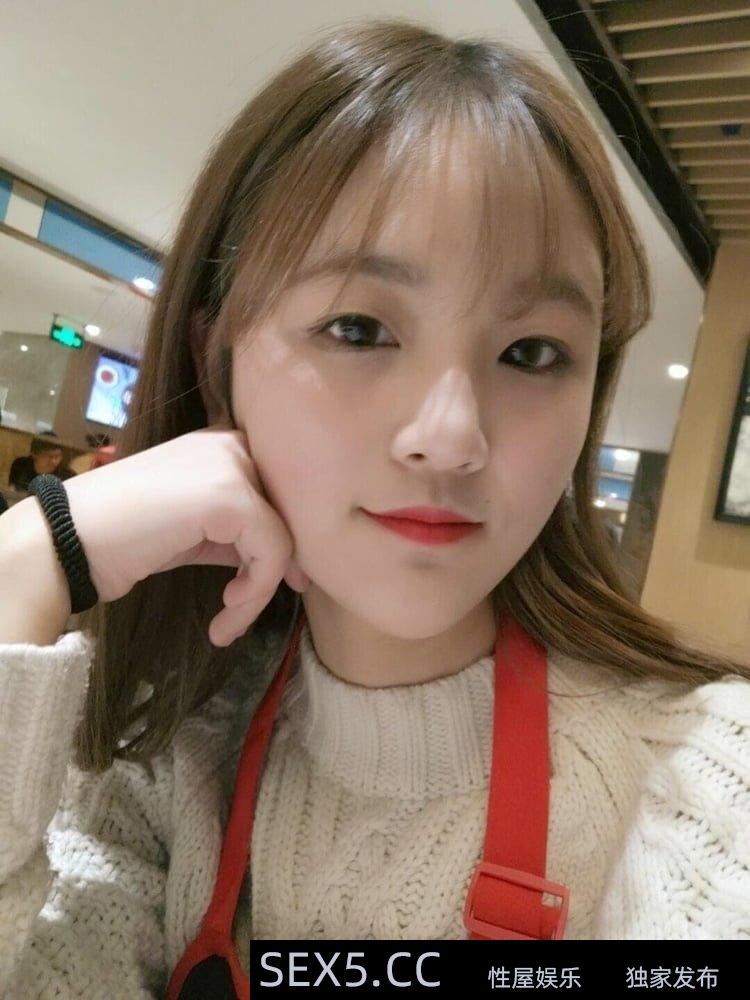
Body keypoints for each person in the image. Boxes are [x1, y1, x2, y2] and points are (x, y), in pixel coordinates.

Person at [0, 17, 748, 998]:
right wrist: (32, 555)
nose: (452, 435)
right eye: (359, 329)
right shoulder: (157, 768)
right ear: (217, 361)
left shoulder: (710, 789)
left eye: (531, 352)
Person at [7, 436, 74, 491]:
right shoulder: (20, 465)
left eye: (57, 456)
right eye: (48, 456)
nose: (54, 461)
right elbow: (12, 489)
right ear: (34, 454)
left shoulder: (68, 476)